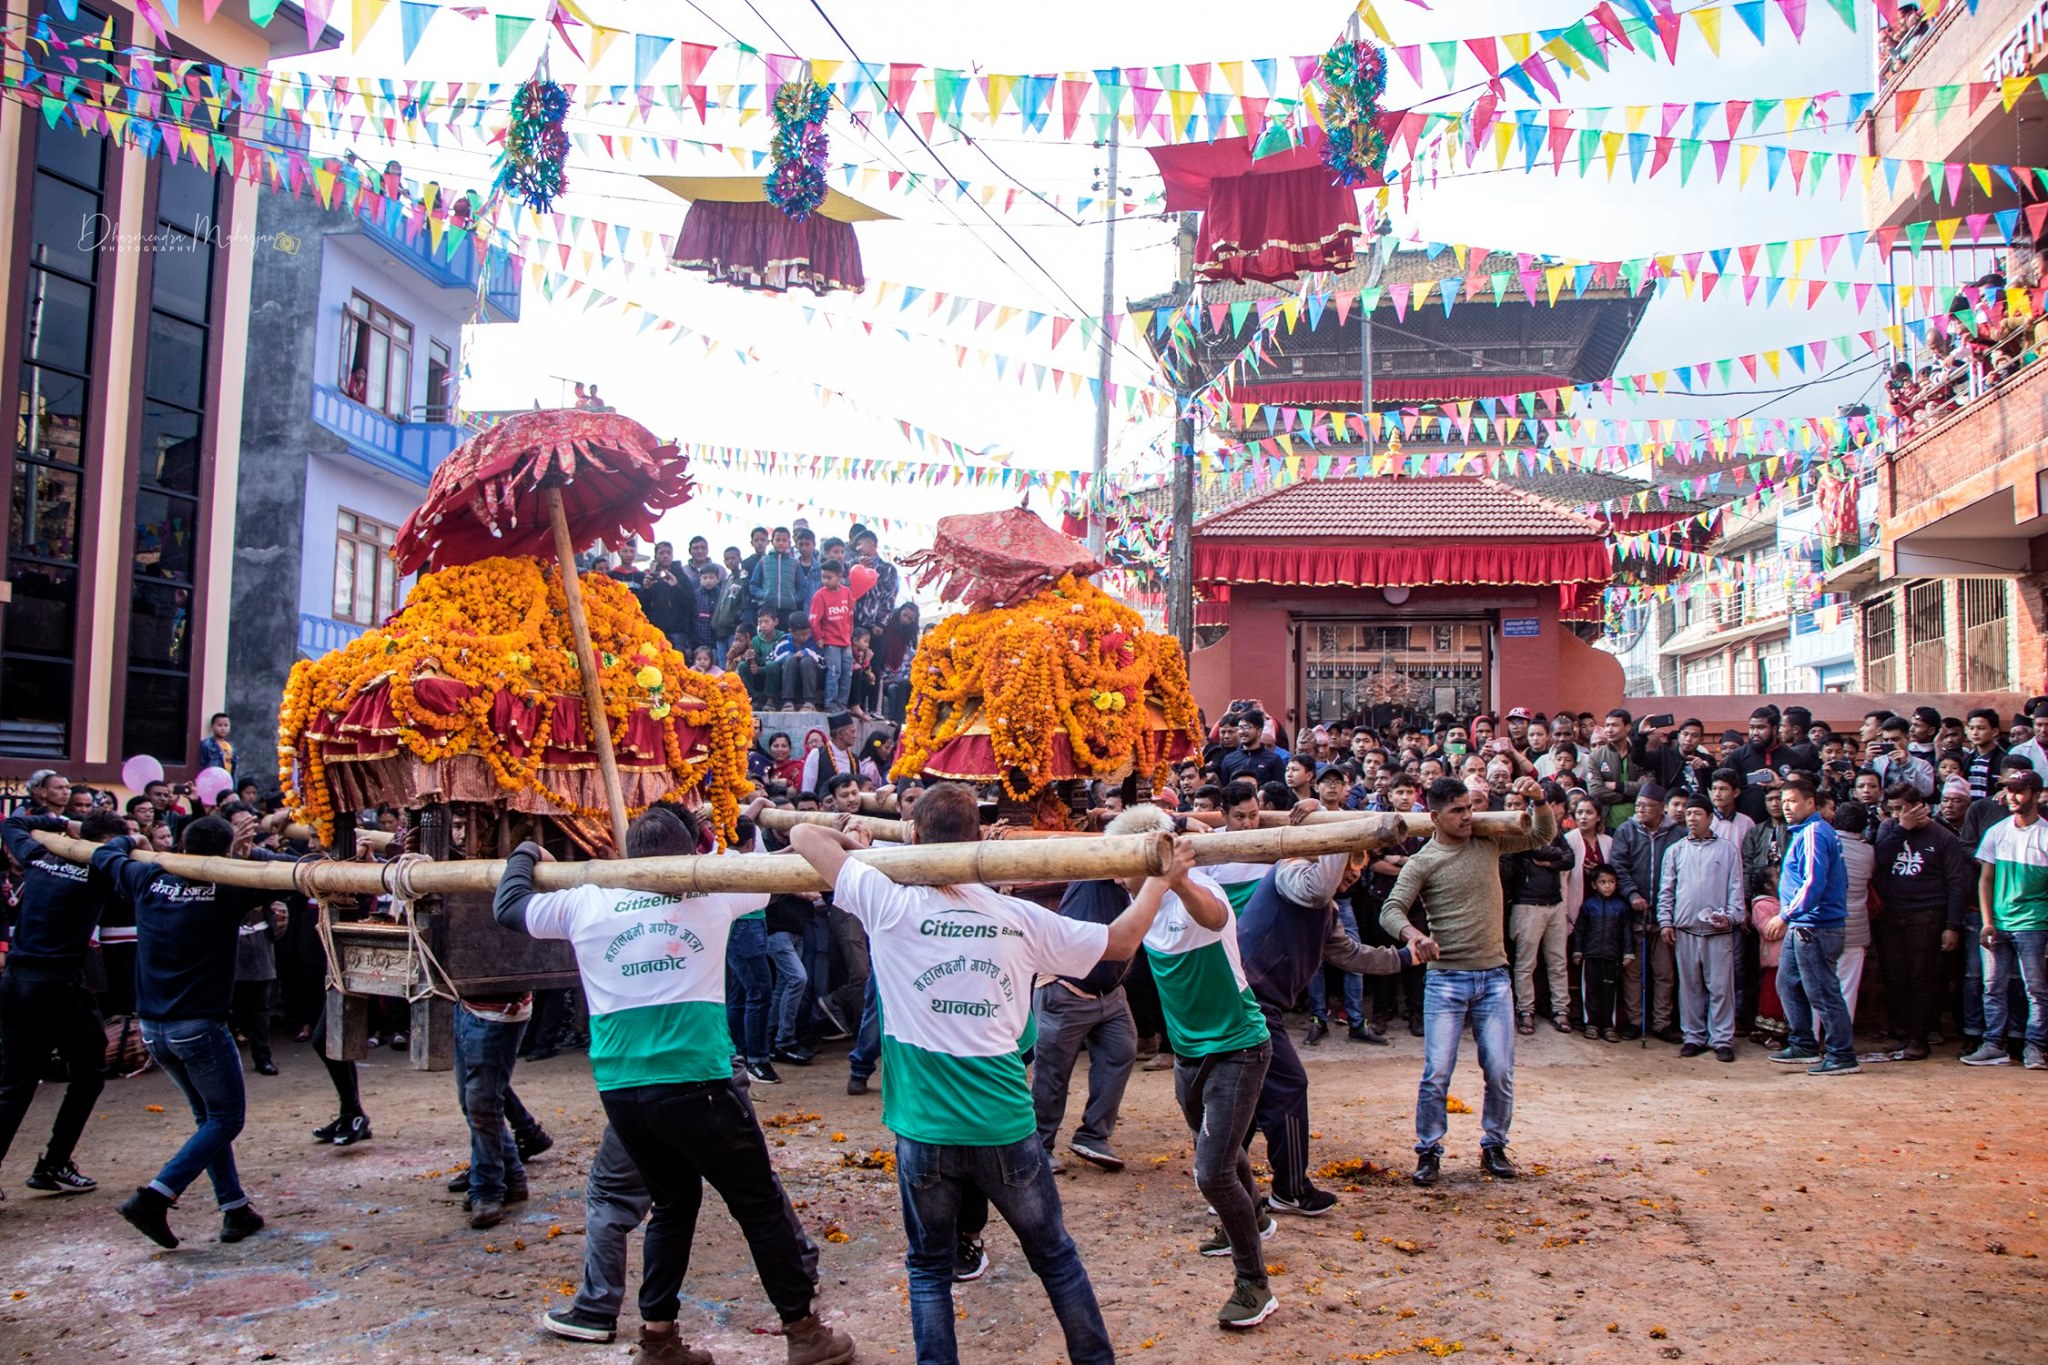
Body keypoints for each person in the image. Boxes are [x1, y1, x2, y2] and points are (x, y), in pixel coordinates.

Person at [789, 786, 1177, 1357]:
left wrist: (858, 843)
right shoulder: (1017, 916)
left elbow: (803, 834)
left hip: (924, 1128)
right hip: (1003, 1126)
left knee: (929, 1268)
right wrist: (1162, 880)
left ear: (914, 837)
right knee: (1055, 1257)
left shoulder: (886, 900)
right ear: (979, 840)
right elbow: (1119, 943)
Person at [495, 806, 855, 1365]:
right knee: (757, 1204)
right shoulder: (711, 890)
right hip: (698, 1082)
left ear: (628, 855)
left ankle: (659, 1338)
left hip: (622, 1090)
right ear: (691, 854)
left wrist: (526, 853)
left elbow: (509, 905)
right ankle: (804, 1332)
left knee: (673, 1204)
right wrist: (842, 835)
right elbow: (786, 865)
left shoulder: (587, 899)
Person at [1218, 807, 1418, 1218]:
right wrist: (1329, 818)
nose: (1355, 873)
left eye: (1361, 864)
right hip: (1250, 1002)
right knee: (1288, 1087)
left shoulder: (1325, 911)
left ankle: (1226, 1185)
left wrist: (1406, 956)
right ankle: (1289, 1190)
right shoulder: (1292, 871)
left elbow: (1352, 955)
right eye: (1351, 859)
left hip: (1253, 1002)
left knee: (1250, 1097)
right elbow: (1318, 887)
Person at [94, 816, 270, 1248]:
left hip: (155, 1029)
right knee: (225, 1119)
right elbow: (294, 874)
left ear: (181, 845)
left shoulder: (148, 876)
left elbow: (104, 854)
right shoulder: (230, 886)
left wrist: (130, 838)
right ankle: (155, 1197)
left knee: (209, 1119)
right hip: (198, 1029)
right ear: (226, 851)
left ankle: (235, 1209)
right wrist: (252, 853)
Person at [1379, 775, 1556, 1187]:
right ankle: (1428, 1150)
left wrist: (1538, 799)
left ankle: (1495, 1144)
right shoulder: (1423, 860)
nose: (1467, 817)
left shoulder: (1487, 840)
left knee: (1499, 1070)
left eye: (1469, 808)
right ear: (1434, 817)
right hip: (1445, 979)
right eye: (1457, 811)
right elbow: (1391, 910)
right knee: (1437, 1073)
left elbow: (1541, 834)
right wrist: (1415, 936)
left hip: (1494, 976)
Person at [0, 807, 129, 1197]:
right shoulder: (101, 867)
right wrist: (129, 840)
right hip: (57, 984)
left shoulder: (40, 856)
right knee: (91, 1070)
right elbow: (123, 851)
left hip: (14, 982)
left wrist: (63, 824)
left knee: (16, 1082)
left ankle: (52, 1164)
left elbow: (13, 822)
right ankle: (55, 1163)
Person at [1031, 875, 1139, 1174]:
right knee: (1052, 1072)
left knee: (1121, 1051)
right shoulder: (1096, 873)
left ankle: (1093, 1136)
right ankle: (1038, 1146)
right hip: (1065, 991)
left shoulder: (1135, 886)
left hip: (1110, 994)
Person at [1762, 774, 1859, 1076]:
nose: (1786, 807)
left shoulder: (1815, 832)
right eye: (1783, 801)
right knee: (1788, 983)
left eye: (1793, 801)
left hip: (1815, 925)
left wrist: (1785, 915)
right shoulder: (1806, 831)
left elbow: (1813, 883)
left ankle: (1841, 1054)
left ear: (1810, 803)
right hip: (1804, 924)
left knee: (1822, 991)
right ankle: (1803, 1043)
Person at [1871, 783, 1970, 1061]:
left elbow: (1957, 883)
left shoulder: (1943, 837)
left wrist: (1952, 925)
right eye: (1892, 809)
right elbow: (1878, 861)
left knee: (1922, 978)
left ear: (1919, 806)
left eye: (1902, 808)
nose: (1897, 814)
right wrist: (1901, 828)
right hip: (1892, 914)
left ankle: (1919, 1038)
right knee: (1895, 976)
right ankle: (1901, 1034)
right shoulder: (1891, 829)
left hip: (1927, 914)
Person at [1964, 768, 2048, 1069]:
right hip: (1999, 923)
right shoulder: (1997, 832)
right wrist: (1988, 921)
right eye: (2009, 790)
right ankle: (1994, 1044)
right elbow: (1985, 880)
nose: (2012, 796)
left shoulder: (2045, 835)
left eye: (2019, 790)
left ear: (2036, 795)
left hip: (2034, 924)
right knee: (1992, 987)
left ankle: (2035, 1047)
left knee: (2035, 989)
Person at [543, 1123, 654, 1344]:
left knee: (610, 1196)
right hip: (713, 1109)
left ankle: (596, 1310)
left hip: (649, 1105)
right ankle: (661, 1326)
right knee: (679, 1199)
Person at [1657, 798, 1746, 1062]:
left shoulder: (1727, 850)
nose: (1691, 819)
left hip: (1718, 931)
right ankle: (1693, 1036)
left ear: (1709, 818)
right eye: (1688, 814)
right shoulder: (1675, 850)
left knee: (1720, 988)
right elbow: (1666, 889)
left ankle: (1722, 1039)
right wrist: (1665, 921)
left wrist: (1731, 917)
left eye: (1697, 813)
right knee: (1690, 987)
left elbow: (1736, 888)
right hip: (1685, 929)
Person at [1610, 785, 1683, 1042]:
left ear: (1661, 808)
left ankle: (1662, 1023)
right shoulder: (1626, 831)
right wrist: (1631, 894)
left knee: (1664, 972)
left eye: (1646, 805)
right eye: (1638, 805)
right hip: (1635, 914)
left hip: (1665, 917)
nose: (1640, 810)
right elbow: (1619, 866)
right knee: (1633, 972)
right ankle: (1635, 1021)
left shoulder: (1678, 834)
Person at [1506, 807, 1576, 1035]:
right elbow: (1540, 850)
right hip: (1527, 905)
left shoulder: (1557, 834)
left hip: (1554, 903)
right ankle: (1525, 1010)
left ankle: (1560, 1009)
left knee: (1558, 961)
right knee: (1526, 963)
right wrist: (1555, 855)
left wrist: (1551, 863)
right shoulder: (1522, 834)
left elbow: (1570, 859)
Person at [1574, 866, 1632, 1041]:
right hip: (1591, 955)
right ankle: (1591, 1023)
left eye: (1611, 882)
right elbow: (1580, 930)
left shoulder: (1621, 906)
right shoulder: (1589, 905)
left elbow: (1626, 932)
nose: (1607, 886)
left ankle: (1608, 1025)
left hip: (1612, 956)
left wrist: (1628, 953)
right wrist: (1578, 951)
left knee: (1609, 991)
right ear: (1594, 885)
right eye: (1603, 882)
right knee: (1591, 990)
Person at [1218, 709, 1286, 790]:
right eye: (1240, 728)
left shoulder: (1274, 760)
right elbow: (1225, 789)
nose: (1242, 732)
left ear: (1259, 731)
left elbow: (1280, 790)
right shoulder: (1229, 759)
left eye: (1246, 727)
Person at [801, 713, 863, 796]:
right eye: (852, 731)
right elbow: (807, 790)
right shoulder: (817, 755)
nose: (855, 736)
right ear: (840, 733)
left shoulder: (855, 760)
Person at [774, 617, 824, 712]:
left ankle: (809, 702)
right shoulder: (784, 641)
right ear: (791, 632)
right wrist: (789, 656)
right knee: (790, 659)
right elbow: (773, 659)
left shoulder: (815, 640)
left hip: (812, 676)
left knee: (806, 661)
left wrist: (807, 652)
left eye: (807, 634)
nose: (804, 637)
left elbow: (823, 661)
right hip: (789, 676)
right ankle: (787, 701)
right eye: (800, 635)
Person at [199, 712, 235, 777]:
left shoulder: (231, 746)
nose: (223, 728)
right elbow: (201, 766)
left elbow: (233, 768)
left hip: (227, 779)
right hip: (212, 779)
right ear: (212, 727)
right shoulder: (206, 744)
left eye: (226, 725)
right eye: (219, 725)